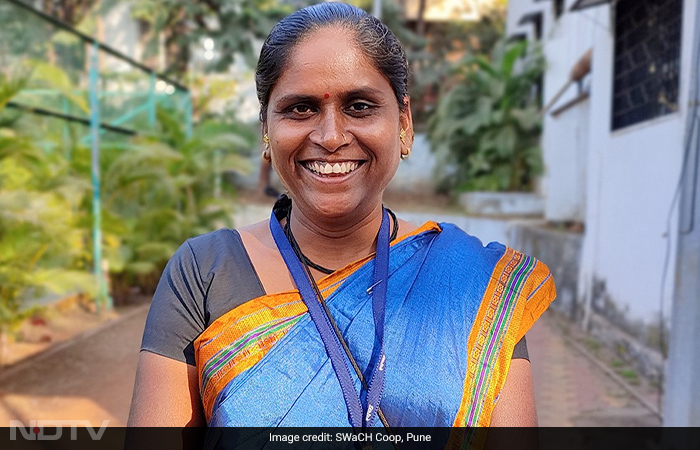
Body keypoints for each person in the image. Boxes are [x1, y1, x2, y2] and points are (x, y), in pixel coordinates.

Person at [128, 1, 555, 440]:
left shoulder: (472, 285)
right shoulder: (205, 271)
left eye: (359, 106)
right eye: (300, 109)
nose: (330, 137)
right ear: (266, 131)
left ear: (404, 124)